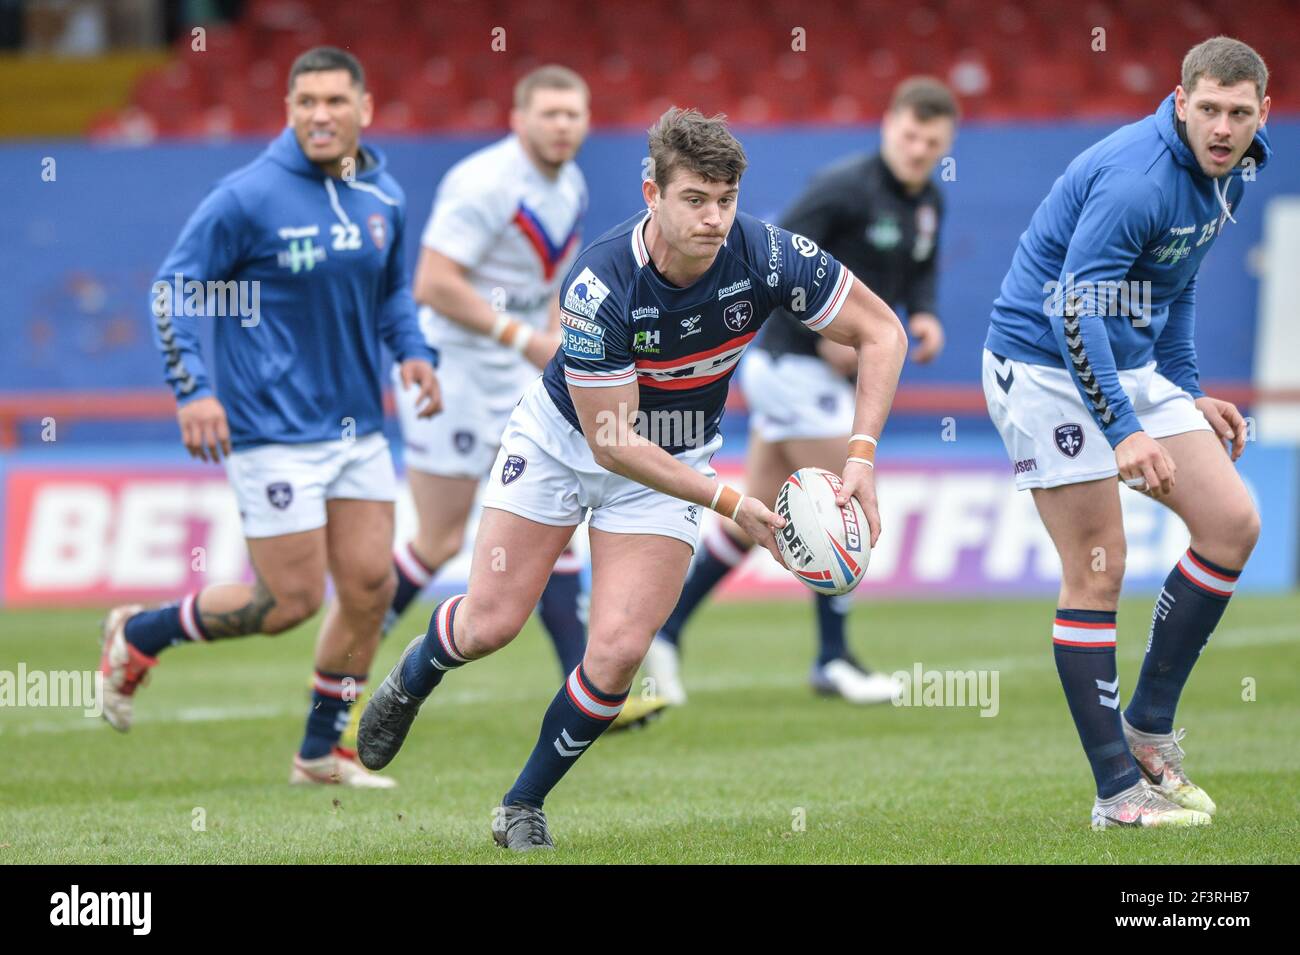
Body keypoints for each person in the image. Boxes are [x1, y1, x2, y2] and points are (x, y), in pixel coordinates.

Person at [356, 107, 909, 850]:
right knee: (490, 623)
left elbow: (882, 332)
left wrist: (861, 458)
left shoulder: (768, 255)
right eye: (695, 199)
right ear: (652, 192)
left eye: (726, 199)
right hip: (564, 443)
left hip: (671, 463)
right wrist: (729, 501)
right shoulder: (599, 283)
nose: (714, 218)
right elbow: (611, 442)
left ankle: (522, 803)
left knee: (617, 650)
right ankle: (415, 674)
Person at [98, 47, 440, 789]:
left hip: (358, 430)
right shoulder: (246, 197)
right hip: (272, 430)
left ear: (365, 109)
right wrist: (193, 389)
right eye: (306, 102)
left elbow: (392, 294)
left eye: (335, 102)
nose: (321, 115)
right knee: (284, 603)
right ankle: (138, 632)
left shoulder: (383, 195)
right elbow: (174, 289)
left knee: (371, 587)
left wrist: (412, 352)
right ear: (289, 110)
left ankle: (320, 752)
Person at [981, 36, 1270, 828]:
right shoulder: (1137, 179)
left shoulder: (1238, 168)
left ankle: (1147, 729)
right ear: (1180, 103)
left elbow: (1179, 280)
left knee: (1232, 526)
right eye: (1206, 108)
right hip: (1043, 363)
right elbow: (1073, 307)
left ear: (1261, 115)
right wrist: (1123, 430)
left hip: (1127, 356)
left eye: (1237, 113)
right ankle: (1117, 793)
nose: (1221, 126)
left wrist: (1183, 393)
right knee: (1100, 566)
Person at [644, 77, 958, 706]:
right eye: (911, 133)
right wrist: (819, 341)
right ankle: (833, 659)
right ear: (890, 124)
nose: (920, 149)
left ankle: (666, 633)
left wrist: (921, 315)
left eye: (933, 140)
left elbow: (919, 270)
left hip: (809, 376)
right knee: (837, 503)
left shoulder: (928, 204)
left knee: (749, 519)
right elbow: (767, 265)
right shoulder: (844, 188)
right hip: (792, 368)